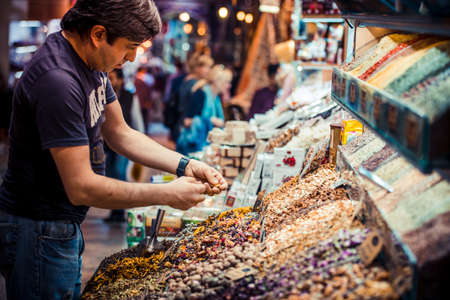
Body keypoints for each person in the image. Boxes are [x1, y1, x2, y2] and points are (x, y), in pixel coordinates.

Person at [0, 1, 227, 299]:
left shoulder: (90, 62)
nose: (132, 58)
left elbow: (120, 132)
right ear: (98, 34)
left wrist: (186, 165)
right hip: (38, 229)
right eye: (129, 47)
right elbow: (81, 187)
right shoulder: (58, 80)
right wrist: (168, 195)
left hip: (60, 225)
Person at [104, 68, 144, 223]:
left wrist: (140, 141)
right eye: (108, 77)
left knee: (120, 173)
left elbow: (136, 119)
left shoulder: (128, 96)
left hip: (124, 144)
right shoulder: (103, 94)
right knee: (111, 173)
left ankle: (120, 211)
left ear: (120, 80)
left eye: (112, 77)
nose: (110, 81)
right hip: (107, 144)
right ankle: (115, 210)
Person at [177, 65, 232, 155]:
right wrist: (210, 120)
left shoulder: (216, 98)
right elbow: (186, 121)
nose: (229, 86)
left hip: (205, 146)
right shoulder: (201, 94)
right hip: (192, 147)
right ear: (217, 81)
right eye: (226, 82)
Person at [175, 53, 213, 151]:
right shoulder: (195, 84)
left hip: (182, 121)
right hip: (188, 125)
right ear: (197, 68)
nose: (209, 70)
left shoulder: (188, 80)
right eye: (207, 67)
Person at [134, 65, 154, 133]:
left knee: (141, 118)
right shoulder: (143, 80)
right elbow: (148, 92)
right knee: (143, 118)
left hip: (139, 102)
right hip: (143, 103)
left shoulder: (136, 80)